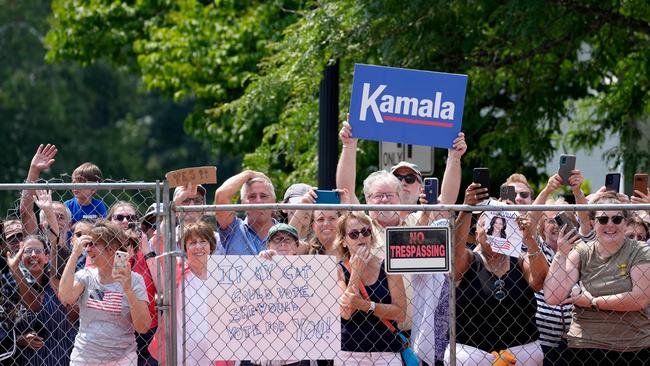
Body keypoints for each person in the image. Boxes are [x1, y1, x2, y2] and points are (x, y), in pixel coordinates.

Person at [447, 183, 548, 365]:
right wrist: (467, 209)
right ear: (476, 231)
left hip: (521, 352)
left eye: (501, 225)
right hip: (472, 354)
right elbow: (454, 252)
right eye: (487, 224)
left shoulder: (520, 260)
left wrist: (530, 239)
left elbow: (539, 281)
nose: (493, 229)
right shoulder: (469, 259)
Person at [544, 192, 650, 364]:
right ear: (593, 224)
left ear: (625, 223)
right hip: (584, 346)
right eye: (603, 220)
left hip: (632, 347)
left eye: (616, 219)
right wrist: (561, 254)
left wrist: (594, 302)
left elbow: (640, 299)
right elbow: (553, 296)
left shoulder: (640, 251)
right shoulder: (582, 252)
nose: (610, 225)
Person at [59, 220, 151, 365]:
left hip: (122, 359)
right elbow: (65, 297)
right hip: (85, 358)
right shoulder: (86, 276)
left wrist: (128, 289)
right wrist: (74, 255)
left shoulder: (134, 280)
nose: (87, 250)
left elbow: (143, 327)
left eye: (93, 244)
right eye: (87, 245)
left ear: (111, 248)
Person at [336, 212, 406, 365]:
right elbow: (346, 312)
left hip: (386, 350)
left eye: (366, 232)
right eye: (354, 234)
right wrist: (356, 272)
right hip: (350, 352)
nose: (361, 237)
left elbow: (400, 313)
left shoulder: (388, 266)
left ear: (371, 236)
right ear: (344, 241)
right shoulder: (339, 270)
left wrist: (367, 306)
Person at [6, 235, 77, 365]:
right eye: (27, 251)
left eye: (38, 251)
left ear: (46, 258)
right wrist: (19, 339)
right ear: (20, 257)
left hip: (61, 357)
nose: (33, 255)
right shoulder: (9, 289)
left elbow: (57, 242)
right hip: (26, 360)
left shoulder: (56, 284)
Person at [108, 202, 158, 366]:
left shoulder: (148, 248)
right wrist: (123, 253)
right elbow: (113, 284)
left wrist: (145, 249)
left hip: (147, 327)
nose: (125, 222)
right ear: (110, 221)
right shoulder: (101, 250)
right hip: (116, 328)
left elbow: (162, 286)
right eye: (119, 217)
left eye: (131, 218)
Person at [214, 170, 276, 255]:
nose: (258, 201)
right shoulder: (233, 230)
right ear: (242, 202)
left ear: (274, 201)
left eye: (263, 196)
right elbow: (221, 194)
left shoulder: (284, 232)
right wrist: (249, 174)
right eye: (252, 196)